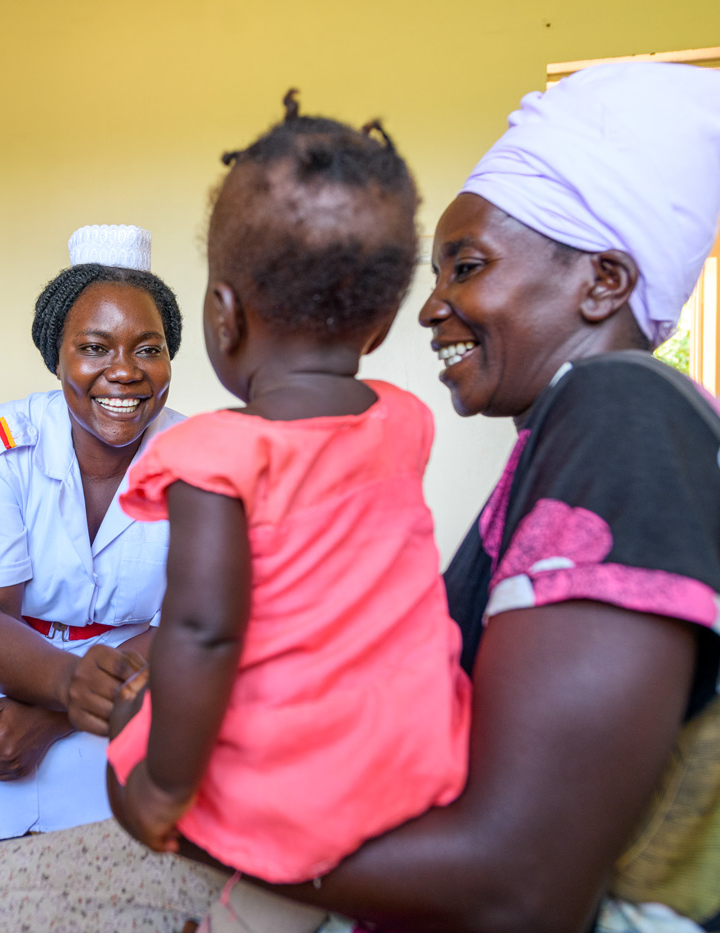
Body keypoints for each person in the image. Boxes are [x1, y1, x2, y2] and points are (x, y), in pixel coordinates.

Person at [0, 64, 720, 933]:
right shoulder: (470, 425)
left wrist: (209, 826)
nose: (429, 306)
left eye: (468, 266)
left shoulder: (623, 417)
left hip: (333, 847)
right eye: (432, 272)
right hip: (315, 813)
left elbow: (522, 881)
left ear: (604, 281)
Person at [104, 96, 469, 930]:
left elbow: (202, 632)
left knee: (133, 726)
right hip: (413, 757)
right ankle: (263, 908)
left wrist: (162, 785)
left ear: (224, 316)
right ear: (378, 326)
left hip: (290, 782)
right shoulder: (404, 421)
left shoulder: (216, 457)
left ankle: (245, 882)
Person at [0, 224, 187, 865]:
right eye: (93, 347)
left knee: (149, 797)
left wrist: (55, 715)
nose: (124, 372)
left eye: (149, 348)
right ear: (56, 356)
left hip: (140, 662)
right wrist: (65, 691)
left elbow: (192, 628)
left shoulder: (204, 459)